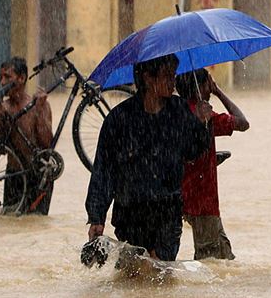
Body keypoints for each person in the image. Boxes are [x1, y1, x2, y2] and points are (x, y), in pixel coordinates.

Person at [85, 54, 213, 261]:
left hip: (168, 212)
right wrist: (96, 217)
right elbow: (104, 170)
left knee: (162, 273)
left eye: (173, 75)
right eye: (167, 75)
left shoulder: (179, 111)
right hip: (130, 213)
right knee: (133, 277)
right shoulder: (119, 119)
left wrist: (202, 125)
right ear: (148, 78)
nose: (173, 82)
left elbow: (193, 152)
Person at [176, 69, 249, 261]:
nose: (211, 88)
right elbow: (243, 123)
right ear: (200, 87)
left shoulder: (175, 113)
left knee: (222, 257)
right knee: (212, 263)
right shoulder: (206, 117)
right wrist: (219, 92)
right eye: (209, 83)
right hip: (203, 200)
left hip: (181, 196)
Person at [0, 57, 54, 215]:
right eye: (1, 77)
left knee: (36, 224)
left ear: (22, 78)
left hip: (39, 175)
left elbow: (47, 144)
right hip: (14, 175)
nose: (3, 82)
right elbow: (1, 148)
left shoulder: (39, 104)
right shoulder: (2, 107)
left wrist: (39, 110)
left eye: (7, 77)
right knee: (9, 224)